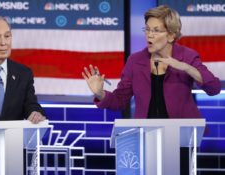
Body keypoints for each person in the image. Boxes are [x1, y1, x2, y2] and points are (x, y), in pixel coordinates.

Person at [82, 5, 221, 174]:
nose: (149, 34)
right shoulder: (135, 61)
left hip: (180, 138)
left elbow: (214, 87)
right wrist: (100, 93)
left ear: (171, 35)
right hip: (145, 138)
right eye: (147, 29)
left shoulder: (187, 56)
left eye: (156, 30)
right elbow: (120, 100)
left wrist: (186, 67)